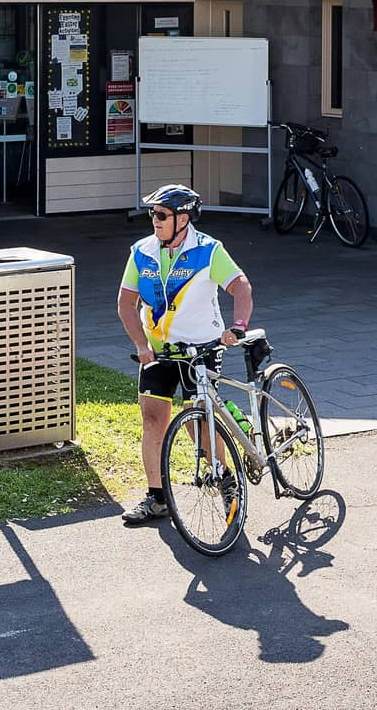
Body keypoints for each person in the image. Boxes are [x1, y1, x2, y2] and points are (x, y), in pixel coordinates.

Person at [116, 183, 255, 526]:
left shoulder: (209, 250)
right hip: (159, 353)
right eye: (153, 214)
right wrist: (140, 345)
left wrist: (237, 326)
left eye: (162, 215)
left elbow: (241, 287)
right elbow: (125, 303)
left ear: (183, 218)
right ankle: (157, 497)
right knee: (152, 420)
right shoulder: (142, 252)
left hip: (201, 350)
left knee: (197, 422)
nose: (155, 220)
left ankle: (225, 481)